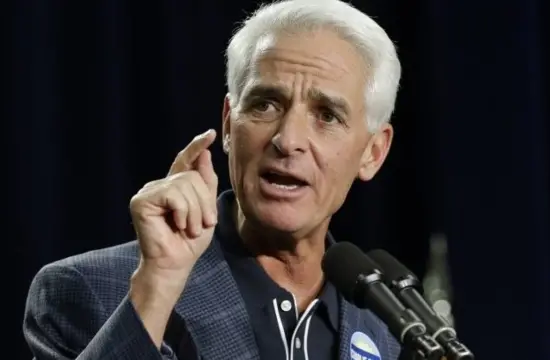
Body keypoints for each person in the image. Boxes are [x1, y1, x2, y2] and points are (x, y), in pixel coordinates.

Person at [23, 0, 402, 359]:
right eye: (265, 105)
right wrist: (158, 288)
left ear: (373, 152)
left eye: (327, 115)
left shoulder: (391, 329)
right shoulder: (89, 291)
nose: (287, 140)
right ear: (228, 124)